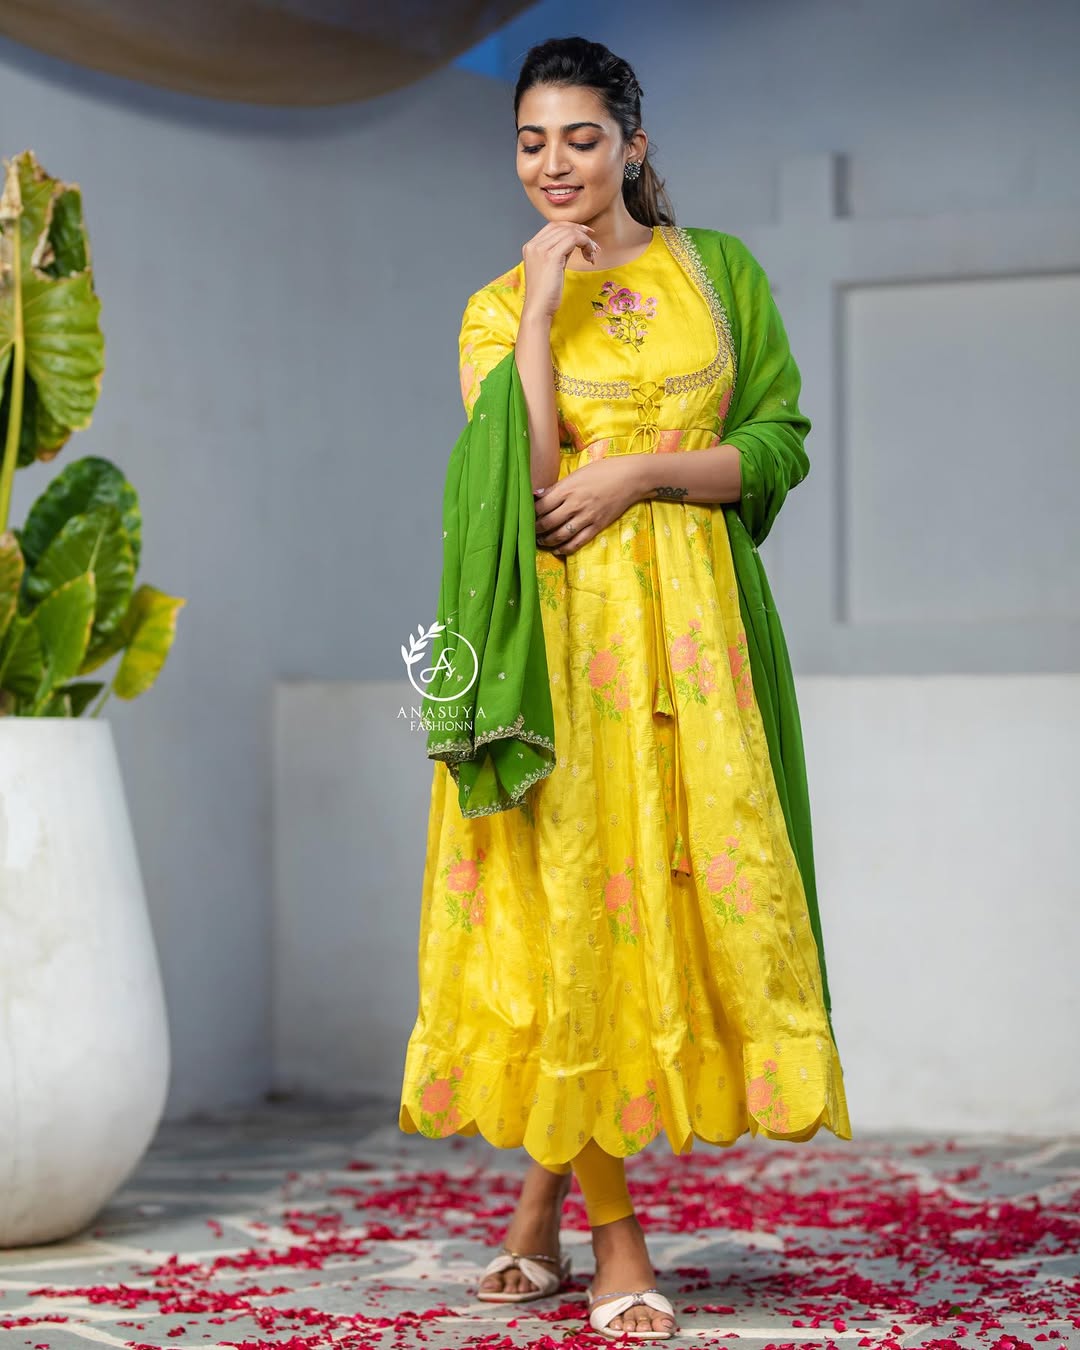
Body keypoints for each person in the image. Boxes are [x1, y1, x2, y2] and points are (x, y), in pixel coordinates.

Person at [399, 34, 851, 1341]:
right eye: (531, 141)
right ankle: (616, 1236)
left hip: (703, 650)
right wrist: (542, 310)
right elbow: (532, 488)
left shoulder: (722, 274)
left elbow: (775, 444)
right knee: (572, 920)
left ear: (633, 145)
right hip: (564, 653)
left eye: (582, 138)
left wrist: (642, 473)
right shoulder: (498, 308)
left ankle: (534, 1209)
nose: (555, 163)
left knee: (671, 910)